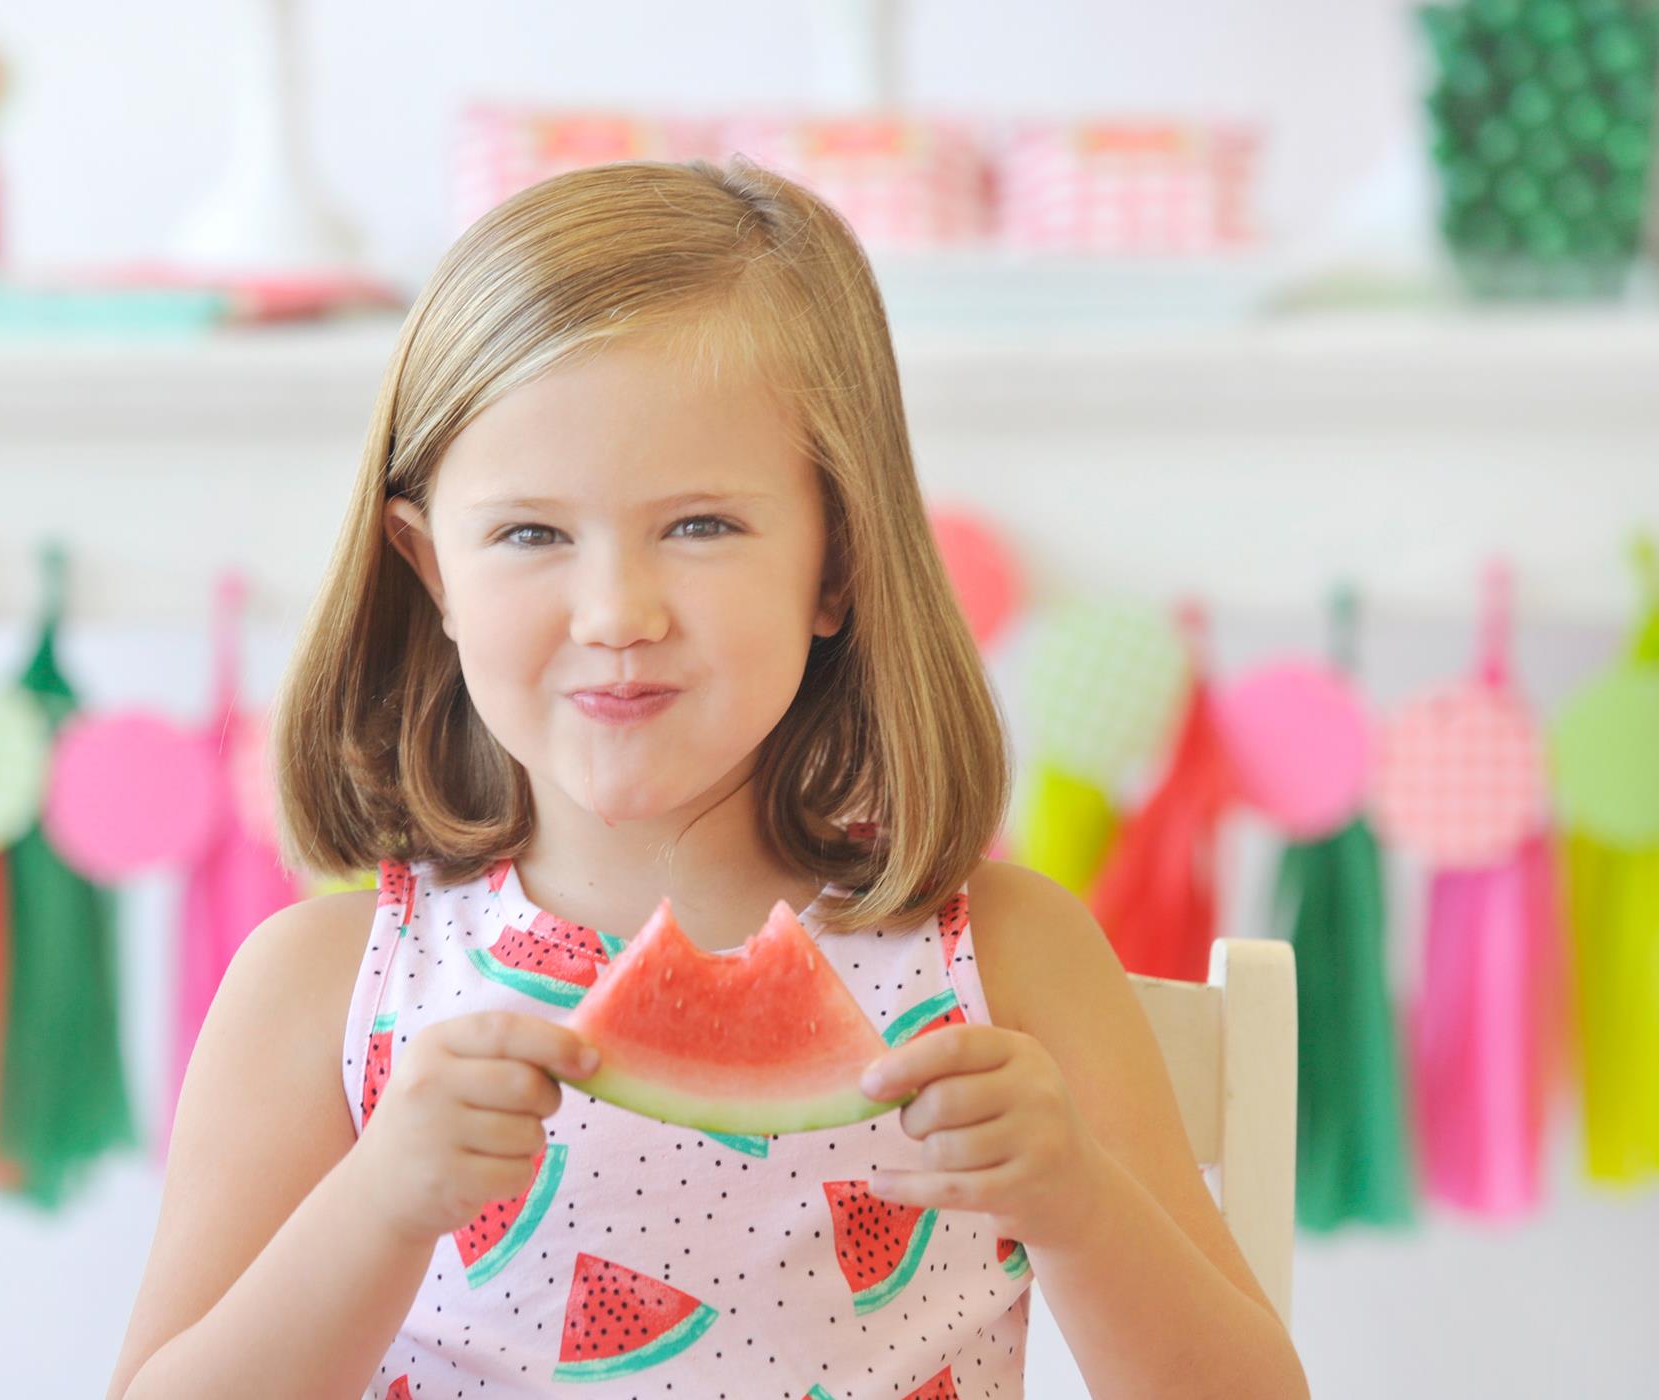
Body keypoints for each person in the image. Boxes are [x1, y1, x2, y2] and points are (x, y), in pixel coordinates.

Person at [107, 155, 1308, 1400]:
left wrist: (1080, 1203)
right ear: (429, 572)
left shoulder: (1004, 959)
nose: (616, 610)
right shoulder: (326, 989)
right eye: (530, 532)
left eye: (700, 525)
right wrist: (377, 1203)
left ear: (835, 562)